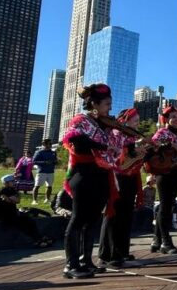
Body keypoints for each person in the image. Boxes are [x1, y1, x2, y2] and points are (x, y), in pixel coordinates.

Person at [61, 84, 115, 279]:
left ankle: (86, 261)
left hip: (100, 175)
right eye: (107, 104)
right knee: (78, 219)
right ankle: (71, 264)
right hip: (83, 175)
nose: (110, 108)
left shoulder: (103, 125)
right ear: (94, 104)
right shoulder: (81, 120)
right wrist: (102, 146)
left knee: (92, 220)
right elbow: (75, 142)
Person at [98, 108, 148, 267]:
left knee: (126, 215)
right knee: (113, 214)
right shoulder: (115, 134)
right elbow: (116, 156)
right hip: (117, 177)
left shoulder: (133, 137)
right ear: (124, 121)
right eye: (135, 120)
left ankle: (122, 251)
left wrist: (144, 151)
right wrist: (133, 151)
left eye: (138, 120)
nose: (137, 123)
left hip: (131, 178)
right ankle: (107, 254)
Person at [149, 105, 177, 254]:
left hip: (176, 173)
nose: (176, 120)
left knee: (166, 205)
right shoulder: (162, 133)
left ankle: (156, 240)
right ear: (166, 119)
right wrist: (171, 144)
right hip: (164, 173)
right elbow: (152, 146)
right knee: (166, 206)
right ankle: (166, 242)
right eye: (173, 117)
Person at [0, 175, 52, 247]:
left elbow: (17, 200)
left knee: (30, 221)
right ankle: (37, 240)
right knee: (23, 225)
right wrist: (15, 197)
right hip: (4, 215)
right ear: (6, 183)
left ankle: (39, 237)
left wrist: (13, 198)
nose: (14, 182)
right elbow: (17, 200)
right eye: (12, 181)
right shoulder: (4, 190)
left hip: (11, 213)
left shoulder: (11, 189)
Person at [32, 139, 58, 204]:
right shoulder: (39, 152)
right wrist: (44, 162)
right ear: (44, 144)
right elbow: (34, 161)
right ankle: (34, 200)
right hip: (41, 171)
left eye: (51, 144)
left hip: (51, 172)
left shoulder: (53, 152)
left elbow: (55, 161)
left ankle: (47, 199)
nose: (50, 145)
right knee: (37, 186)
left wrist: (55, 162)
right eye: (49, 144)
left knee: (49, 186)